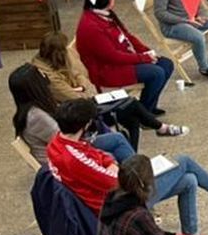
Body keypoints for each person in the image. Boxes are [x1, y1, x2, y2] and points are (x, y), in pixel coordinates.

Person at [46, 98, 208, 235]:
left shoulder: (58, 142)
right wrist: (116, 168)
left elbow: (98, 157)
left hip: (115, 194)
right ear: (85, 124)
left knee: (189, 181)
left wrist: (111, 164)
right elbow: (114, 181)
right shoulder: (73, 158)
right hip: (120, 204)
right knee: (183, 161)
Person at [30, 31, 183, 149]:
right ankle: (159, 128)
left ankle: (134, 153)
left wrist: (81, 86)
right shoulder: (48, 75)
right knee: (131, 107)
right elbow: (73, 96)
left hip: (87, 100)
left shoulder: (61, 58)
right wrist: (83, 89)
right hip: (82, 111)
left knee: (132, 115)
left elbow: (80, 74)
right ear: (57, 53)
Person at [74, 0, 176, 113]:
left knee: (166, 64)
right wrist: (143, 58)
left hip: (124, 58)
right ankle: (144, 112)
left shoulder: (106, 14)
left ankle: (147, 108)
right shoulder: (91, 27)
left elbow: (127, 36)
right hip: (107, 70)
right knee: (156, 73)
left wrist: (145, 51)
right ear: (106, 1)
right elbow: (112, 56)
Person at [9, 63, 132, 166]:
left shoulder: (38, 107)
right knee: (115, 145)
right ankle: (137, 181)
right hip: (63, 158)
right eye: (40, 74)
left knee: (117, 137)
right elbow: (66, 140)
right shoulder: (36, 117)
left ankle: (137, 177)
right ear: (35, 85)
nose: (45, 76)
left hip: (67, 149)